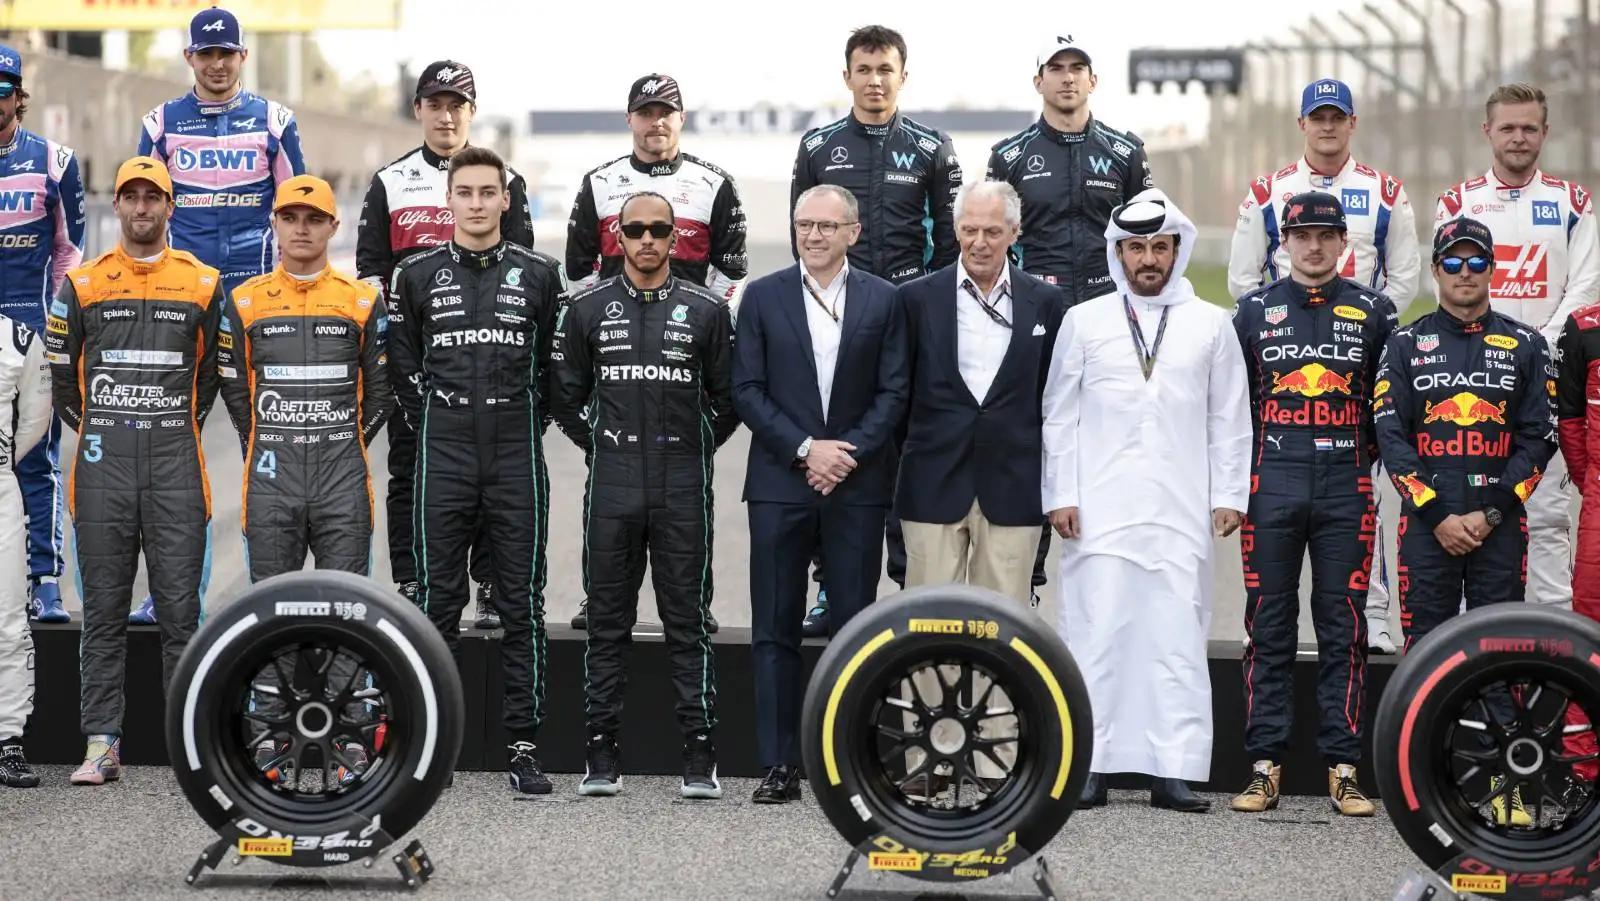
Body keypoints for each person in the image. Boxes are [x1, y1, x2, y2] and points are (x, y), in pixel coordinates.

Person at [1043, 189, 1252, 813]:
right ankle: (1090, 766)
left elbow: (1230, 417)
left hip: (1181, 510)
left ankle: (1174, 770)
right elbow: (1058, 417)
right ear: (1118, 253)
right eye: (1136, 247)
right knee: (1095, 633)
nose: (1148, 259)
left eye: (1160, 246)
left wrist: (1228, 495)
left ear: (1177, 250)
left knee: (1175, 637)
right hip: (1098, 512)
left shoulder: (1212, 323)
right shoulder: (1085, 321)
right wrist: (1062, 494)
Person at [550, 191, 739, 799]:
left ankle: (699, 753)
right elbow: (564, 396)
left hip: (683, 480)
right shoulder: (586, 309)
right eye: (636, 229)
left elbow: (730, 398)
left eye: (661, 228)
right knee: (608, 623)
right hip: (614, 483)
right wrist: (602, 444)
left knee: (688, 622)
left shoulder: (708, 308)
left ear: (676, 236)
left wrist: (695, 444)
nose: (649, 239)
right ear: (618, 237)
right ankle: (601, 752)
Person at [386, 146, 562, 794]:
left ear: (506, 200)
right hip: (446, 452)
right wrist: (437, 418)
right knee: (438, 602)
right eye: (467, 192)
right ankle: (434, 741)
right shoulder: (416, 275)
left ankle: (523, 743)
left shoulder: (541, 274)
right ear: (450, 200)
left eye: (490, 192)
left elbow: (556, 373)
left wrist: (522, 417)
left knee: (522, 603)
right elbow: (401, 367)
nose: (479, 203)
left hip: (516, 451)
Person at [1374, 216, 1557, 826]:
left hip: (1498, 524)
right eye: (1453, 262)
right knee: (1426, 658)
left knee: (1499, 655)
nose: (1465, 273)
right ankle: (1425, 792)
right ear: (1435, 270)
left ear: (1492, 270)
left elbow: (1541, 437)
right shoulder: (1404, 344)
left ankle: (1507, 790)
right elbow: (1390, 437)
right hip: (1428, 526)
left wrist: (1491, 511)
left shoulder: (1527, 345)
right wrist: (1435, 511)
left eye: (1477, 262)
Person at [46, 156, 223, 786]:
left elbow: (208, 381)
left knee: (181, 614)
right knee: (103, 612)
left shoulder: (204, 282)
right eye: (132, 198)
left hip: (177, 464)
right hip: (103, 468)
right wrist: (105, 424)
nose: (143, 209)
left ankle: (188, 749)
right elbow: (64, 377)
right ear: (116, 206)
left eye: (155, 198)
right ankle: (100, 744)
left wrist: (169, 420)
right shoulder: (85, 283)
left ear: (171, 207)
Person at [1229, 78, 1421, 655]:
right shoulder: (1267, 191)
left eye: (1338, 117)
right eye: (1319, 117)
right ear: (1302, 124)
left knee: (1365, 498)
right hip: (1287, 361)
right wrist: (1292, 323)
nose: (1328, 126)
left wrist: (1355, 326)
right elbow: (1244, 283)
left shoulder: (1387, 190)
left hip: (1360, 360)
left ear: (1352, 123)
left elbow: (1404, 278)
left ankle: (1378, 616)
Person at [731, 184, 909, 804]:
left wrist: (844, 455)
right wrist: (808, 450)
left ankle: (847, 758)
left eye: (827, 226)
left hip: (856, 488)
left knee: (854, 628)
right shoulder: (763, 296)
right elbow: (747, 390)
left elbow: (894, 393)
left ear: (853, 233)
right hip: (782, 484)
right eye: (804, 225)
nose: (813, 236)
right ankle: (779, 763)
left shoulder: (885, 302)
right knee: (775, 628)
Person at [1227, 192, 1398, 817]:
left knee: (1344, 627)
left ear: (1344, 241)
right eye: (1303, 236)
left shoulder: (1376, 311)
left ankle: (1343, 766)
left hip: (1346, 484)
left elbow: (1391, 408)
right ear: (1284, 244)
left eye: (1327, 235)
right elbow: (1229, 407)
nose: (1315, 246)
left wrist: (1358, 458)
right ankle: (1264, 763)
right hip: (1269, 483)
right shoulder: (1251, 312)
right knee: (1266, 627)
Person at [133, 5, 304, 625]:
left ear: (241, 57)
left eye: (225, 53)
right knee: (172, 451)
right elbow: (143, 216)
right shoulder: (159, 123)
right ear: (189, 59)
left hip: (256, 304)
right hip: (184, 302)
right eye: (204, 54)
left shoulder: (276, 121)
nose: (215, 64)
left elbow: (299, 216)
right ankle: (176, 594)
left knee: (272, 446)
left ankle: (273, 591)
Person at [790, 24, 962, 633]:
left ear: (902, 76)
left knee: (909, 450)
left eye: (885, 69)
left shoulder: (933, 148)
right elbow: (803, 235)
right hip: (841, 320)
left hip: (911, 316)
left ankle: (910, 586)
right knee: (836, 448)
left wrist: (932, 311)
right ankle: (831, 590)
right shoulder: (818, 146)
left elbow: (950, 243)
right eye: (863, 69)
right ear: (847, 77)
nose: (874, 80)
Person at [564, 73, 748, 632]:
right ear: (630, 120)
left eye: (666, 111)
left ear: (681, 118)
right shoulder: (598, 183)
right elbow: (577, 272)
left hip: (689, 347)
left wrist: (702, 322)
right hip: (617, 346)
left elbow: (732, 269)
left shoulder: (714, 183)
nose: (656, 121)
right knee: (609, 480)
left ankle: (694, 601)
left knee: (689, 490)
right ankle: (600, 596)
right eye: (646, 112)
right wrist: (599, 333)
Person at [357, 59, 535, 629]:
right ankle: (412, 581)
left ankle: (486, 585)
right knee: (408, 474)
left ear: (472, 112)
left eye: (457, 104)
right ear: (418, 110)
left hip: (488, 361)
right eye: (435, 103)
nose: (446, 114)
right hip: (418, 363)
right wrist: (400, 357)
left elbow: (526, 272)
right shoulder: (390, 181)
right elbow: (370, 273)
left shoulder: (503, 179)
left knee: (490, 481)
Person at [987, 34, 1155, 607]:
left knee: (1114, 442)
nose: (1066, 77)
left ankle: (1118, 572)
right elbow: (995, 241)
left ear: (1093, 80)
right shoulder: (1009, 156)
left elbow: (1150, 239)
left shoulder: (1126, 152)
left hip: (1110, 321)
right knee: (1034, 443)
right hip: (1038, 322)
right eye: (1054, 68)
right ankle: (1027, 580)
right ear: (1038, 81)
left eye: (1077, 68)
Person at [1435, 82, 1600, 611]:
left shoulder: (1572, 201)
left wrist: (1533, 346)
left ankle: (1555, 657)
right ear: (1488, 131)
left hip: (1544, 377)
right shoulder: (1457, 202)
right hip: (1473, 382)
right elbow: (1450, 286)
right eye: (1508, 127)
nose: (1519, 138)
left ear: (1545, 133)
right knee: (1473, 512)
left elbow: (1586, 285)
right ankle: (1472, 650)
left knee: (1547, 515)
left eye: (1530, 128)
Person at [219, 175, 395, 580]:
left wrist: (346, 438)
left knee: (345, 610)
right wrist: (264, 436)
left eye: (314, 219)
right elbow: (232, 385)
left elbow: (381, 393)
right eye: (290, 217)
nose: (301, 228)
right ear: (274, 224)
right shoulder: (244, 301)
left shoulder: (364, 301)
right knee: (274, 614)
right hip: (270, 480)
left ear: (334, 226)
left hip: (343, 479)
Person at [897, 180, 1065, 604]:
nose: (979, 243)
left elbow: (1055, 399)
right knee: (927, 627)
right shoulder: (914, 300)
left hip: (1013, 488)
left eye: (992, 232)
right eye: (969, 230)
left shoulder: (1047, 303)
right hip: (932, 485)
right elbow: (898, 394)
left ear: (1014, 233)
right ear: (954, 231)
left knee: (1004, 631)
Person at [0, 45, 85, 625]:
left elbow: (69, 254)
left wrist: (55, 329)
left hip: (28, 328)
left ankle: (45, 579)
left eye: (1, 91)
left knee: (35, 459)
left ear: (18, 97)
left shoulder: (56, 161)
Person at [0, 308, 55, 787]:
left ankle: (7, 740)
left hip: (0, 489)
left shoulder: (19, 337)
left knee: (10, 621)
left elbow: (36, 422)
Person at [1553, 301, 1600, 807]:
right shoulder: (1585, 326)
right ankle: (1582, 769)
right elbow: (1570, 425)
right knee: (1589, 631)